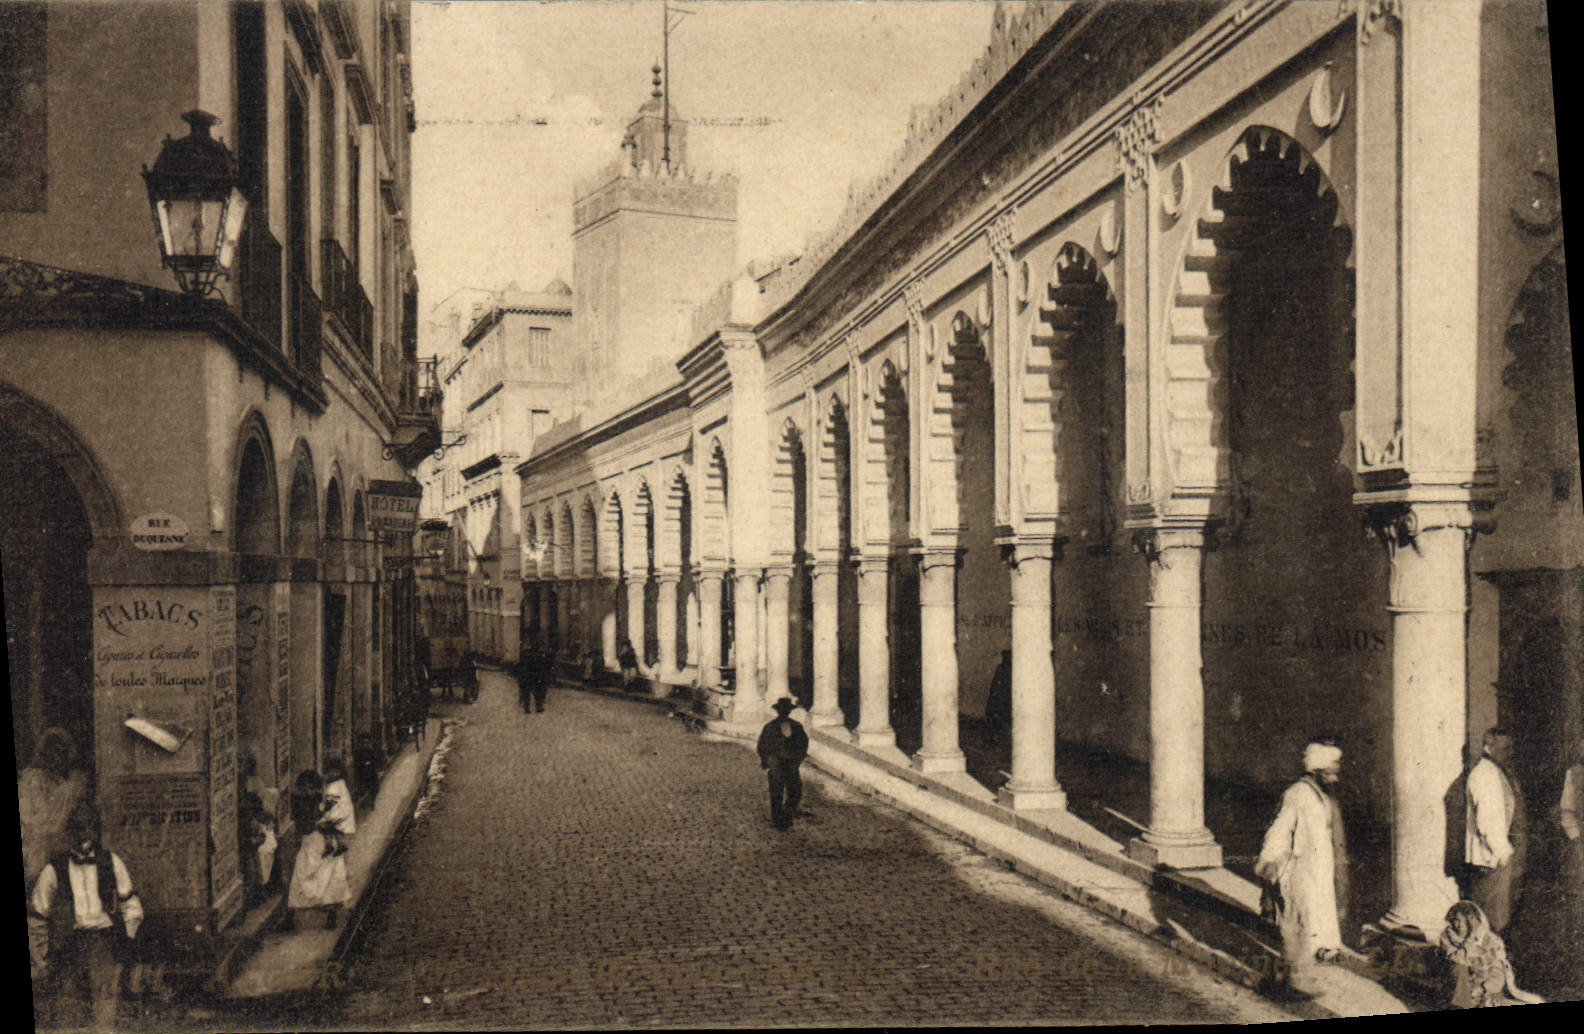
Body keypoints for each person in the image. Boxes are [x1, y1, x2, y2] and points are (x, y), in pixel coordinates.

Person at [27, 801, 144, 1031]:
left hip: (103, 943)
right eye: (79, 828)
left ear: (97, 831)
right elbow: (37, 916)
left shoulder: (111, 862)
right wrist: (41, 956)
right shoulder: (55, 869)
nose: (85, 834)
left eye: (90, 828)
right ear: (70, 832)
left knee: (105, 1006)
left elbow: (132, 906)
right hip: (69, 945)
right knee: (68, 1005)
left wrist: (124, 941)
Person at [1255, 741, 1349, 987]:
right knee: (1297, 921)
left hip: (1320, 867)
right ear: (1317, 770)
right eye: (1331, 770)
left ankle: (1305, 970)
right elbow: (1279, 830)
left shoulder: (1323, 796)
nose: (1335, 775)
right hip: (1299, 868)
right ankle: (1293, 980)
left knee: (1315, 916)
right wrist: (1269, 865)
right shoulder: (1297, 794)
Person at [1464, 727, 1527, 934]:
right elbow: (1487, 821)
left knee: (1498, 915)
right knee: (1493, 919)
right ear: (1488, 747)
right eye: (1504, 748)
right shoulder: (1485, 774)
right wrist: (1503, 852)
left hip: (1497, 856)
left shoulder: (1497, 771)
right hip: (1491, 857)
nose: (1509, 753)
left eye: (1511, 748)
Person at [18, 726, 88, 888]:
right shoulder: (32, 780)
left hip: (63, 849)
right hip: (37, 849)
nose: (56, 757)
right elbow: (36, 821)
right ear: (43, 753)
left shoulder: (70, 783)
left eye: (61, 751)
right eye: (51, 751)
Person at [1439, 900, 1544, 1007]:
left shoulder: (1491, 940)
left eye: (1466, 920)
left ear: (1474, 921)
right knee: (1459, 968)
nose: (1460, 925)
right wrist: (1469, 942)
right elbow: (1458, 960)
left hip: (1486, 988)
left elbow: (1498, 970)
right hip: (1461, 990)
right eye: (1457, 920)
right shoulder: (1448, 938)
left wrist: (1483, 988)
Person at [284, 769, 349, 931]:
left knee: (315, 877)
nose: (304, 791)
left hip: (317, 841)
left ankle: (325, 914)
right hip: (315, 841)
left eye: (308, 788)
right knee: (310, 877)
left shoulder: (317, 801)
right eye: (303, 788)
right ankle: (294, 916)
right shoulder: (306, 801)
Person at [756, 697, 810, 831]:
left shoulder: (797, 727)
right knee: (776, 791)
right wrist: (766, 760)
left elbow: (803, 744)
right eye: (782, 710)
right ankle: (778, 819)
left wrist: (798, 758)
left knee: (795, 790)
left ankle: (787, 813)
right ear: (778, 712)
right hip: (776, 763)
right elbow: (762, 745)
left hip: (791, 763)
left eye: (786, 710)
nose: (784, 712)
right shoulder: (770, 727)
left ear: (789, 711)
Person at [319, 758, 356, 859]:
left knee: (324, 826)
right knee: (336, 828)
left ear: (339, 772)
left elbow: (331, 801)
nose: (331, 774)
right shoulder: (341, 783)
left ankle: (329, 845)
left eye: (334, 771)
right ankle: (339, 845)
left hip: (339, 810)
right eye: (330, 772)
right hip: (343, 809)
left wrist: (324, 810)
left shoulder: (333, 786)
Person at [984, 650, 1013, 741]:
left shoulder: (1012, 669)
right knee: (992, 714)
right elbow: (995, 682)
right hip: (998, 695)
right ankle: (993, 735)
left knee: (1004, 715)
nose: (1005, 659)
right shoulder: (1000, 668)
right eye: (1004, 657)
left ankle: (1004, 734)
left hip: (1006, 696)